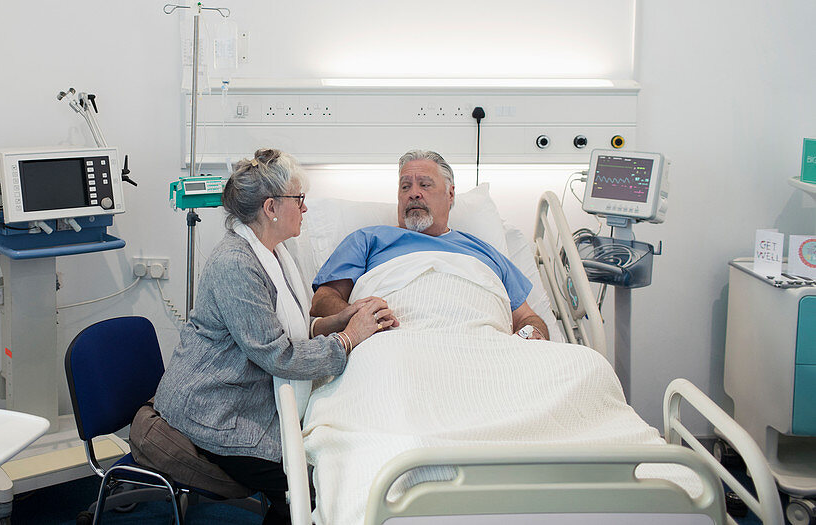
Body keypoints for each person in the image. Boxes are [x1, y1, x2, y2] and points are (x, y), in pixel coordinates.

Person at [153, 148, 395, 524]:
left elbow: (296, 327)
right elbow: (279, 355)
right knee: (306, 485)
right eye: (299, 199)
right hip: (215, 407)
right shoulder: (236, 264)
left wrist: (346, 317)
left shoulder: (278, 252)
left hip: (246, 393)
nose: (305, 208)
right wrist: (348, 339)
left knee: (320, 464)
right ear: (270, 208)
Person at [309, 148, 548, 340]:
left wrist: (531, 335)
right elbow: (322, 300)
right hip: (395, 342)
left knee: (582, 362)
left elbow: (528, 318)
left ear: (450, 194)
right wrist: (356, 315)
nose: (413, 193)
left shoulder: (486, 252)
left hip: (485, 343)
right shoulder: (368, 239)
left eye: (424, 185)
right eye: (405, 187)